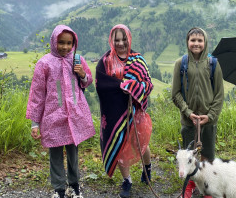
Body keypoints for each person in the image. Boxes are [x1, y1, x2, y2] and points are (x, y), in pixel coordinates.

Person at [26, 25, 95, 198]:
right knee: (55, 155)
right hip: (53, 118)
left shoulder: (77, 60)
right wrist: (35, 123)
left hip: (74, 117)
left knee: (73, 154)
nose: (65, 47)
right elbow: (37, 94)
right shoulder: (44, 63)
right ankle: (59, 189)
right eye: (61, 42)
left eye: (69, 43)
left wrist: (82, 75)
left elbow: (87, 82)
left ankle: (75, 186)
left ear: (74, 43)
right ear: (54, 41)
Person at [95, 24, 153, 198]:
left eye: (123, 39)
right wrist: (121, 86)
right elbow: (102, 85)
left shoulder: (137, 59)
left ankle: (147, 168)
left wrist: (133, 88)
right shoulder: (105, 62)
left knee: (139, 142)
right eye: (116, 39)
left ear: (129, 38)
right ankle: (127, 180)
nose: (120, 43)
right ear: (111, 40)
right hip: (114, 112)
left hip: (133, 110)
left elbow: (147, 83)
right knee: (119, 144)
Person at [172, 27, 224, 198]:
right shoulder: (181, 64)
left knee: (208, 156)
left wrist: (210, 116)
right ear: (187, 42)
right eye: (193, 40)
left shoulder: (213, 64)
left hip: (208, 121)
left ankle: (207, 188)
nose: (196, 43)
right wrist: (188, 112)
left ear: (205, 43)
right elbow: (176, 94)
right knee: (188, 157)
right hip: (189, 121)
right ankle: (189, 186)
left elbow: (219, 94)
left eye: (200, 40)